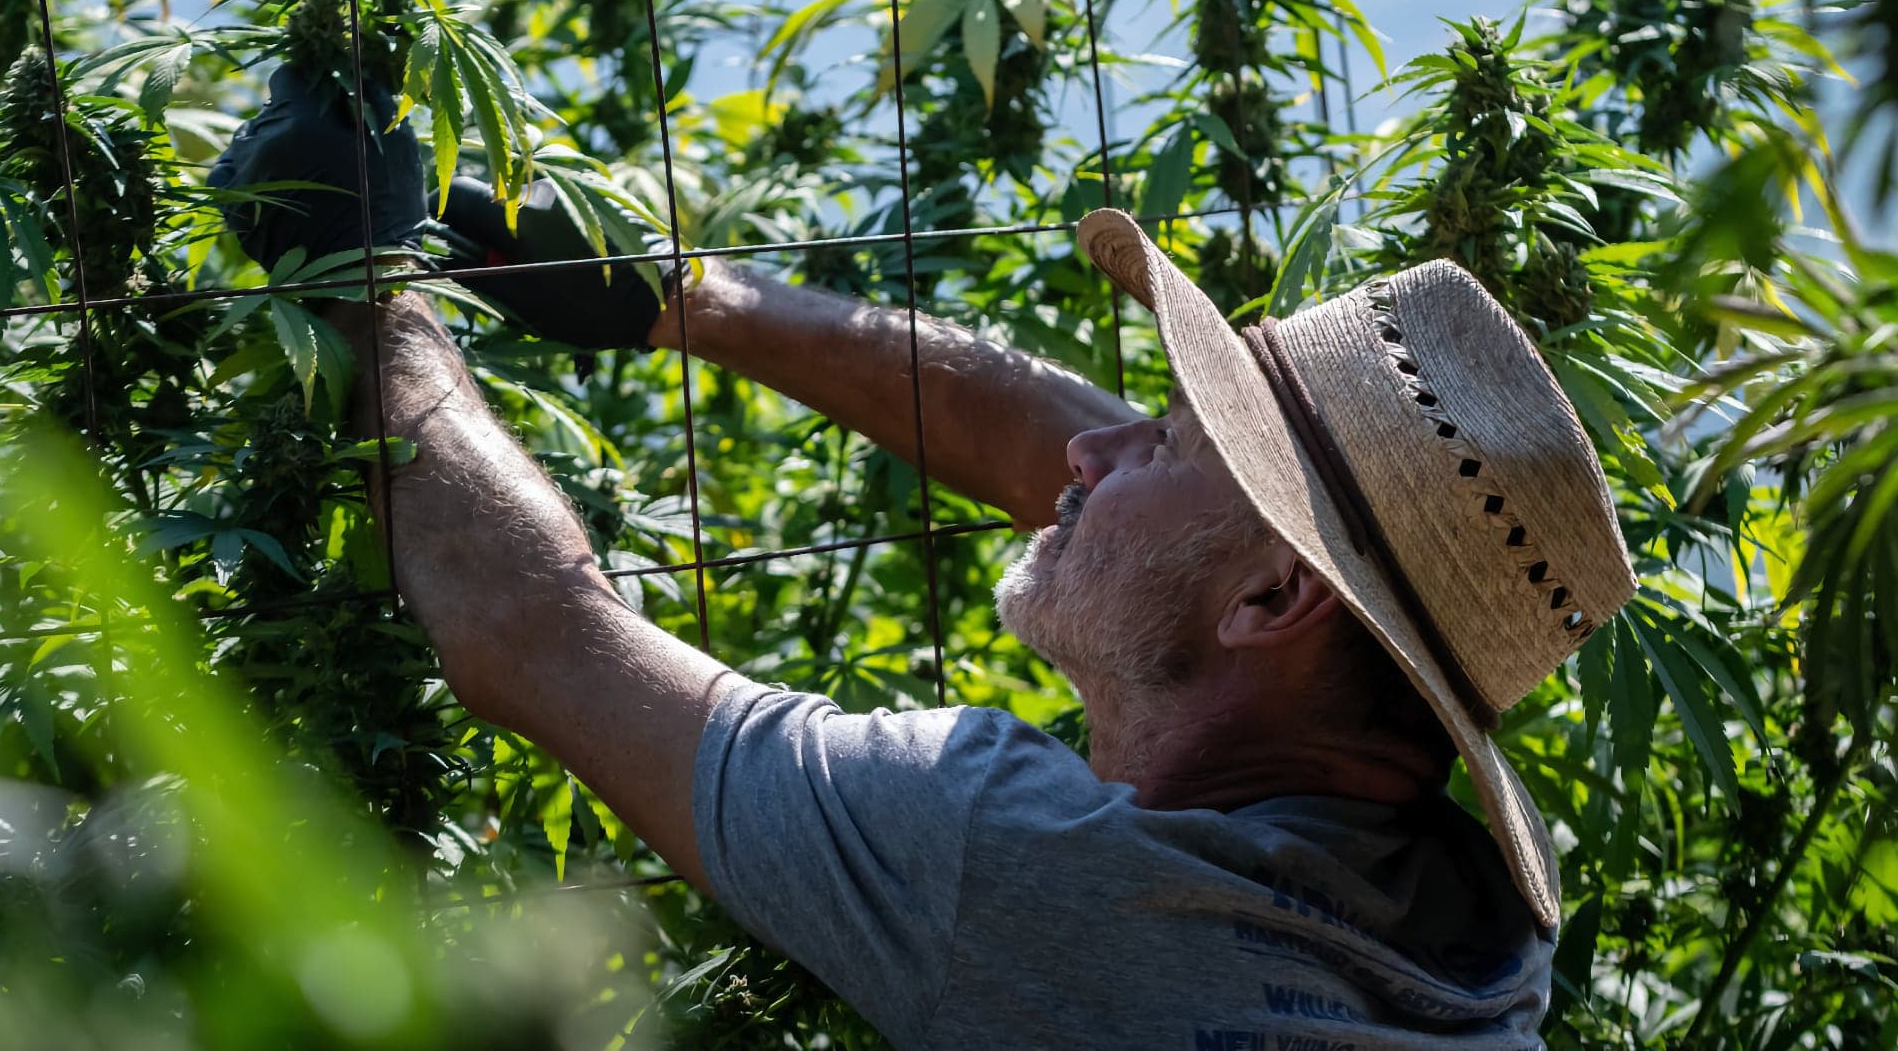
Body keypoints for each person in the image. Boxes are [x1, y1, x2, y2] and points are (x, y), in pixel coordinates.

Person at [212, 75, 1639, 1050]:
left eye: (1162, 436)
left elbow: (533, 629)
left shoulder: (1022, 871)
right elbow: (1130, 492)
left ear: (1270, 603)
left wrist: (368, 292)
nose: (1088, 454)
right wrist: (681, 296)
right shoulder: (1479, 934)